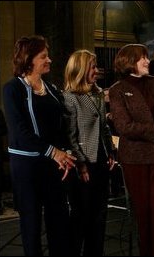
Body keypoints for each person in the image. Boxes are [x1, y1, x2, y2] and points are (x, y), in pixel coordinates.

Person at [2, 35, 76, 256]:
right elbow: (19, 131)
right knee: (31, 224)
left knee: (59, 222)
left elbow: (62, 126)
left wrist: (66, 154)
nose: (49, 60)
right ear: (29, 59)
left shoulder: (52, 89)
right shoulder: (12, 89)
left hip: (54, 165)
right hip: (26, 167)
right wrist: (54, 153)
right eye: (44, 56)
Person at [109, 44, 154, 256]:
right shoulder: (117, 89)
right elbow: (124, 127)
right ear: (129, 61)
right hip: (135, 159)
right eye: (143, 58)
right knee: (142, 211)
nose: (147, 61)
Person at [62, 49, 116, 256]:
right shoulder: (69, 97)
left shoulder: (98, 93)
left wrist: (110, 151)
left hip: (101, 160)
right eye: (92, 67)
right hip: (82, 165)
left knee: (99, 216)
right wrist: (81, 164)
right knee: (81, 216)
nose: (96, 70)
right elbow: (70, 136)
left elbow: (104, 127)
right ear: (81, 69)